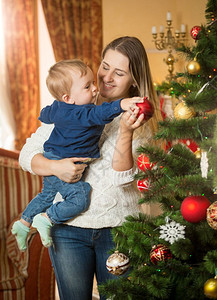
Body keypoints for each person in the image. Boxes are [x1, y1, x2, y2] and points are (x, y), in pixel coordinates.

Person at [19, 36, 162, 300]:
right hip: (67, 228)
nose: (106, 77)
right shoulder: (74, 102)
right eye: (104, 66)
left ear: (133, 79)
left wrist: (126, 132)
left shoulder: (139, 118)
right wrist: (56, 166)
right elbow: (27, 155)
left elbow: (121, 178)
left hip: (117, 229)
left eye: (118, 73)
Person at [11, 59, 143, 251]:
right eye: (87, 86)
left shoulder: (60, 108)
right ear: (68, 97)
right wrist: (121, 104)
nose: (95, 89)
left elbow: (45, 114)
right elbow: (100, 114)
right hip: (57, 160)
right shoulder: (83, 113)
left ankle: (23, 223)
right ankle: (47, 218)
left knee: (47, 195)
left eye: (93, 83)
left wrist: (56, 111)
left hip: (51, 153)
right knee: (80, 196)